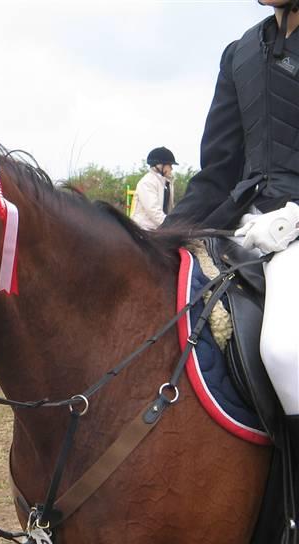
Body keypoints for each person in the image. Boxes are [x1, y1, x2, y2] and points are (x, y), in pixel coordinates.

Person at [163, 0, 299, 482]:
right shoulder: (240, 53)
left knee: (285, 350)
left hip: (295, 227)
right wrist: (161, 238)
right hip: (243, 226)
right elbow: (218, 170)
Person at [130, 147, 177, 230]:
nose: (171, 168)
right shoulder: (147, 182)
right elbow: (153, 211)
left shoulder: (167, 183)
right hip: (143, 229)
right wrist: (170, 226)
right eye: (169, 165)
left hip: (158, 228)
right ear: (160, 165)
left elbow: (170, 209)